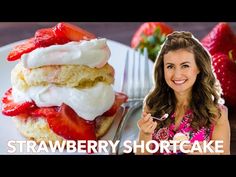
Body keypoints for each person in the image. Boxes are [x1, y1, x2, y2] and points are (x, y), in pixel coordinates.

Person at [136, 31, 231, 155]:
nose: (177, 75)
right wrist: (145, 134)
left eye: (185, 66)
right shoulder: (153, 106)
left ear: (199, 68)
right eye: (170, 66)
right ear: (162, 69)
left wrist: (208, 152)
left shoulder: (217, 114)